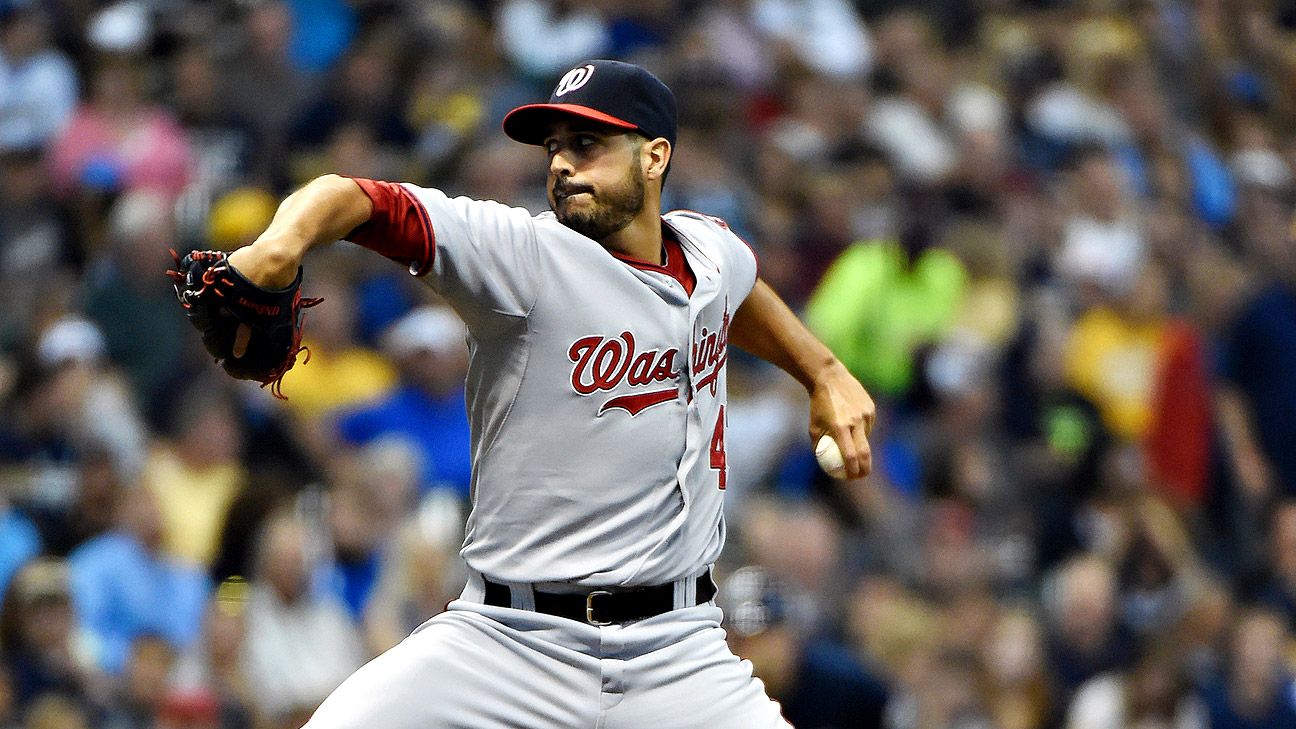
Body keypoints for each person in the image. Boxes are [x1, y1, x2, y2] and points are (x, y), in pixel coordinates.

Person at [214, 59, 874, 728]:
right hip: (506, 643)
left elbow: (741, 293)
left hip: (679, 652)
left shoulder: (709, 251)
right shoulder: (522, 255)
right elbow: (359, 198)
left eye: (586, 144)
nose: (561, 163)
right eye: (554, 146)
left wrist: (822, 371)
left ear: (654, 156)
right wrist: (280, 244)